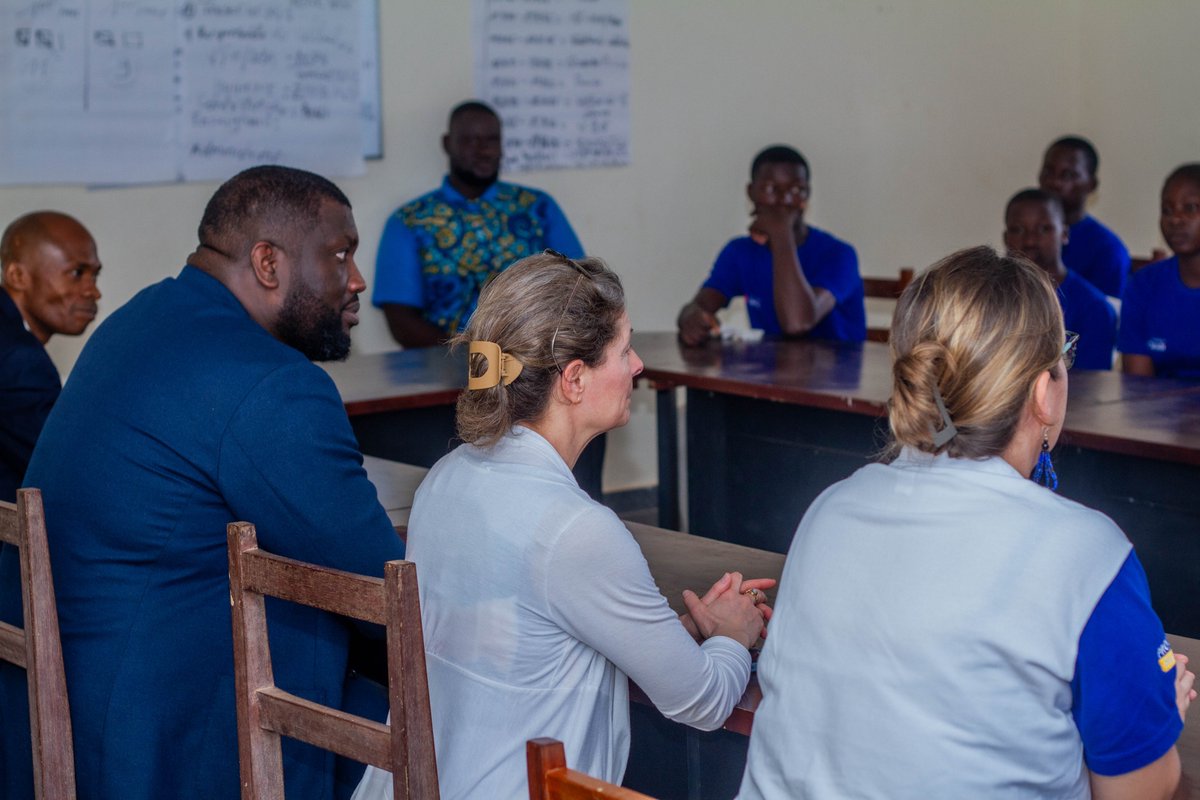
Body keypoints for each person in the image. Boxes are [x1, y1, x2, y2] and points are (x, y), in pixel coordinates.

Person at [0, 166, 405, 800]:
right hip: (166, 742)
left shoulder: (142, 318)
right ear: (268, 263)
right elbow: (384, 593)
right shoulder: (273, 385)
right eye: (339, 255)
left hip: (59, 712)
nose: (355, 280)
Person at [737, 247, 1194, 800]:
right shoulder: (1089, 555)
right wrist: (1157, 712)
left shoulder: (830, 508)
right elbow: (1140, 790)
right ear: (1044, 393)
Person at [353, 251, 773, 800]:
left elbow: (531, 642)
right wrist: (735, 636)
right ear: (573, 380)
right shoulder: (576, 530)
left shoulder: (445, 479)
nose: (639, 365)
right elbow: (703, 702)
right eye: (623, 350)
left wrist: (672, 636)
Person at [373, 100, 584, 348]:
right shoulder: (410, 221)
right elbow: (401, 322)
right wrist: (474, 357)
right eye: (470, 140)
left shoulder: (537, 208)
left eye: (492, 140)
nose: (482, 150)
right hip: (443, 366)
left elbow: (578, 286)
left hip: (534, 361)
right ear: (446, 144)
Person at [677, 145, 865, 345]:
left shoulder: (839, 254)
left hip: (835, 373)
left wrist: (780, 234)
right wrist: (690, 318)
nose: (784, 200)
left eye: (796, 190)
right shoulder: (740, 251)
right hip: (770, 372)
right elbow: (699, 306)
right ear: (751, 193)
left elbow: (797, 323)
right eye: (771, 189)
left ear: (806, 196)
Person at [0, 211, 102, 502]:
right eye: (76, 273)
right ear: (17, 275)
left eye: (94, 275)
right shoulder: (20, 361)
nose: (93, 291)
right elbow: (65, 472)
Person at [1004, 188, 1117, 370]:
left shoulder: (1094, 308)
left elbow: (1092, 384)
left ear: (1064, 234)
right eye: (1018, 230)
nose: (1030, 240)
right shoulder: (992, 297)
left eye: (1044, 229)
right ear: (1005, 238)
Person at [1119, 163, 1200, 379]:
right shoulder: (1144, 284)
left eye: (1190, 208)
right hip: (1157, 409)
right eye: (1167, 210)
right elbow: (1138, 385)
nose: (1175, 219)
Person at [1038, 135, 1131, 298]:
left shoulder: (1107, 250)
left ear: (1092, 184)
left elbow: (1107, 316)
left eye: (1067, 175)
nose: (1054, 182)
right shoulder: (1027, 236)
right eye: (1048, 172)